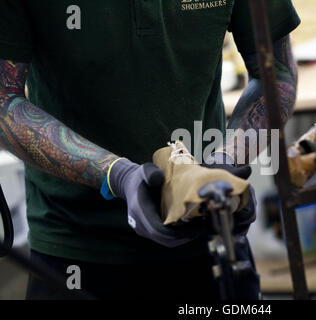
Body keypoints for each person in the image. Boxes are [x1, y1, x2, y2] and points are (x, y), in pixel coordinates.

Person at [0, 0, 300, 299]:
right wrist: (117, 175)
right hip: (77, 249)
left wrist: (225, 164)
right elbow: (4, 101)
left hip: (207, 231)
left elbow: (276, 73)